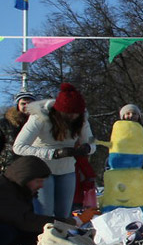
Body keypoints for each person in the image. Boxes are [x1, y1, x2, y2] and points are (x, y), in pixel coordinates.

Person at [13, 83, 96, 220]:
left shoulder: (81, 120)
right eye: (69, 114)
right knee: (45, 213)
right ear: (59, 111)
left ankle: (62, 237)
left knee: (64, 213)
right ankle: (42, 238)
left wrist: (87, 148)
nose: (73, 117)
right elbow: (19, 146)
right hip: (42, 170)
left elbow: (92, 143)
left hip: (67, 170)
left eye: (76, 114)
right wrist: (53, 153)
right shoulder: (39, 118)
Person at [0, 156, 54, 245]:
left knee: (35, 233)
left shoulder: (20, 190)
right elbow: (25, 220)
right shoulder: (4, 190)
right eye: (38, 181)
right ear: (25, 179)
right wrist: (72, 222)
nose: (41, 186)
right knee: (10, 231)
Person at [0, 91, 35, 173]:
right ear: (17, 105)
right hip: (10, 165)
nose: (27, 106)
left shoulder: (41, 122)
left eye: (30, 103)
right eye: (23, 103)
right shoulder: (5, 123)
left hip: (33, 165)